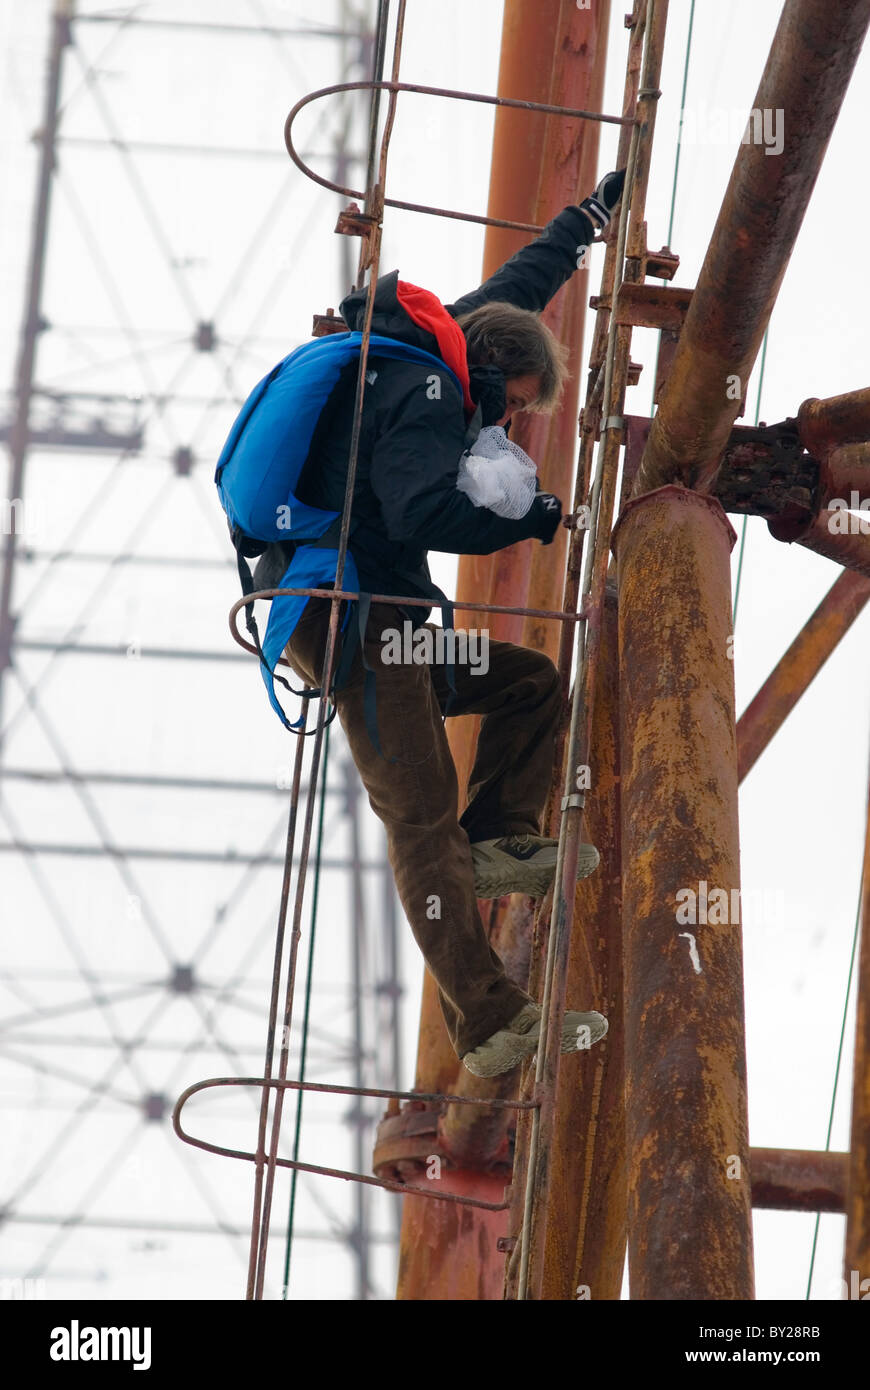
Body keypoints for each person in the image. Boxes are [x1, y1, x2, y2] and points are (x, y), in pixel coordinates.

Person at [254, 170, 626, 1076]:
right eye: (510, 405)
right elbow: (420, 513)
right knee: (421, 819)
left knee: (529, 686)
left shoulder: (454, 340)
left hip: (401, 626)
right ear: (492, 375)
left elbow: (520, 284)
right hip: (355, 626)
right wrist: (529, 520)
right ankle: (491, 1022)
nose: (503, 424)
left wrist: (586, 222)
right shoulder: (427, 394)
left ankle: (500, 833)